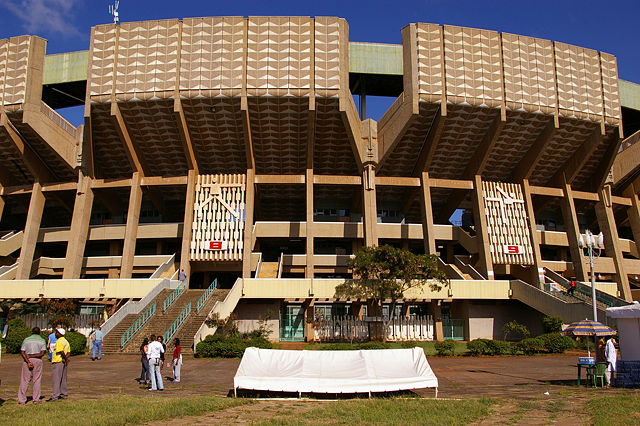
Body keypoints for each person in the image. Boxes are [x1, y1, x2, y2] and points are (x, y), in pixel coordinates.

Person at [18, 327, 47, 404]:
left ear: (32, 332)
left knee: (25, 380)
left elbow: (22, 351)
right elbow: (42, 353)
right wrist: (33, 357)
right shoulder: (42, 340)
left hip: (27, 360)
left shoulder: (26, 340)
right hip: (37, 360)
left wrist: (28, 360)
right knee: (37, 380)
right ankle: (36, 399)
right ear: (39, 332)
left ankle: (21, 399)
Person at [47, 328, 70, 401]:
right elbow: (68, 352)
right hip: (63, 362)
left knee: (56, 379)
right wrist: (66, 359)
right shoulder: (65, 341)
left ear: (60, 334)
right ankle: (63, 394)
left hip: (58, 361)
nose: (55, 334)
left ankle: (55, 396)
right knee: (63, 379)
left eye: (56, 333)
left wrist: (64, 358)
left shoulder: (59, 341)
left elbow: (61, 351)